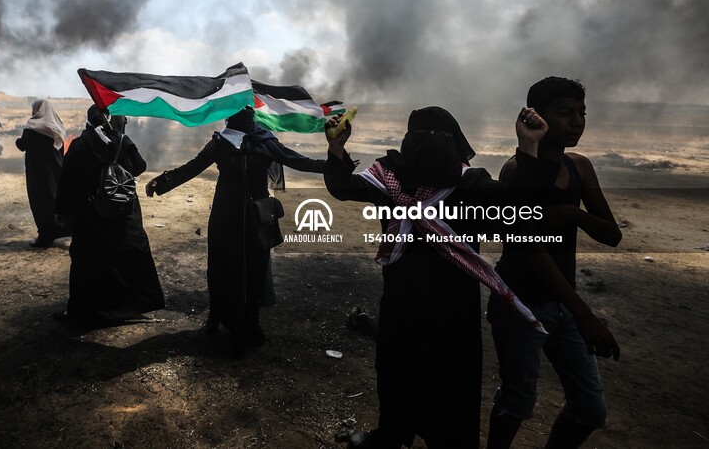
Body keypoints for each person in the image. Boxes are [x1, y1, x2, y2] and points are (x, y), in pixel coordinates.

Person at [323, 105, 571, 448]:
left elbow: (518, 208)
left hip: (437, 310)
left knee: (441, 382)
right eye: (421, 134)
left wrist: (529, 146)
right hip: (419, 308)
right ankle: (394, 434)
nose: (429, 142)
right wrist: (336, 147)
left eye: (437, 135)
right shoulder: (398, 178)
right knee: (403, 375)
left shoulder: (411, 182)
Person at [487, 77, 622, 449]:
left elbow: (612, 234)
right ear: (536, 116)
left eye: (581, 113)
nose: (577, 121)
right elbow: (529, 247)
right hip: (520, 302)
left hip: (563, 303)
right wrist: (582, 313)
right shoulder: (517, 171)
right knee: (517, 401)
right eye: (565, 113)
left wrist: (570, 213)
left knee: (590, 409)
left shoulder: (580, 167)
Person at [146, 106, 326, 355]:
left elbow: (299, 161)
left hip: (239, 217)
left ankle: (244, 324)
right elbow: (194, 167)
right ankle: (228, 320)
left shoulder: (244, 142)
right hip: (237, 218)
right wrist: (163, 181)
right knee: (231, 268)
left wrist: (336, 166)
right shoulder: (235, 142)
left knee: (244, 269)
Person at [54, 106, 163, 325]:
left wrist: (61, 212)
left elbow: (66, 182)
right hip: (122, 211)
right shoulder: (122, 140)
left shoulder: (79, 144)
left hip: (89, 214)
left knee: (88, 261)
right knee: (124, 257)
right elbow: (140, 167)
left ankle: (86, 311)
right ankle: (127, 307)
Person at [15, 99, 67, 248]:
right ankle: (62, 230)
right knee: (57, 201)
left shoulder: (32, 127)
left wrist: (17, 141)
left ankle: (45, 237)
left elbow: (22, 145)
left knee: (41, 203)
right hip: (56, 171)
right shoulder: (57, 126)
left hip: (38, 174)